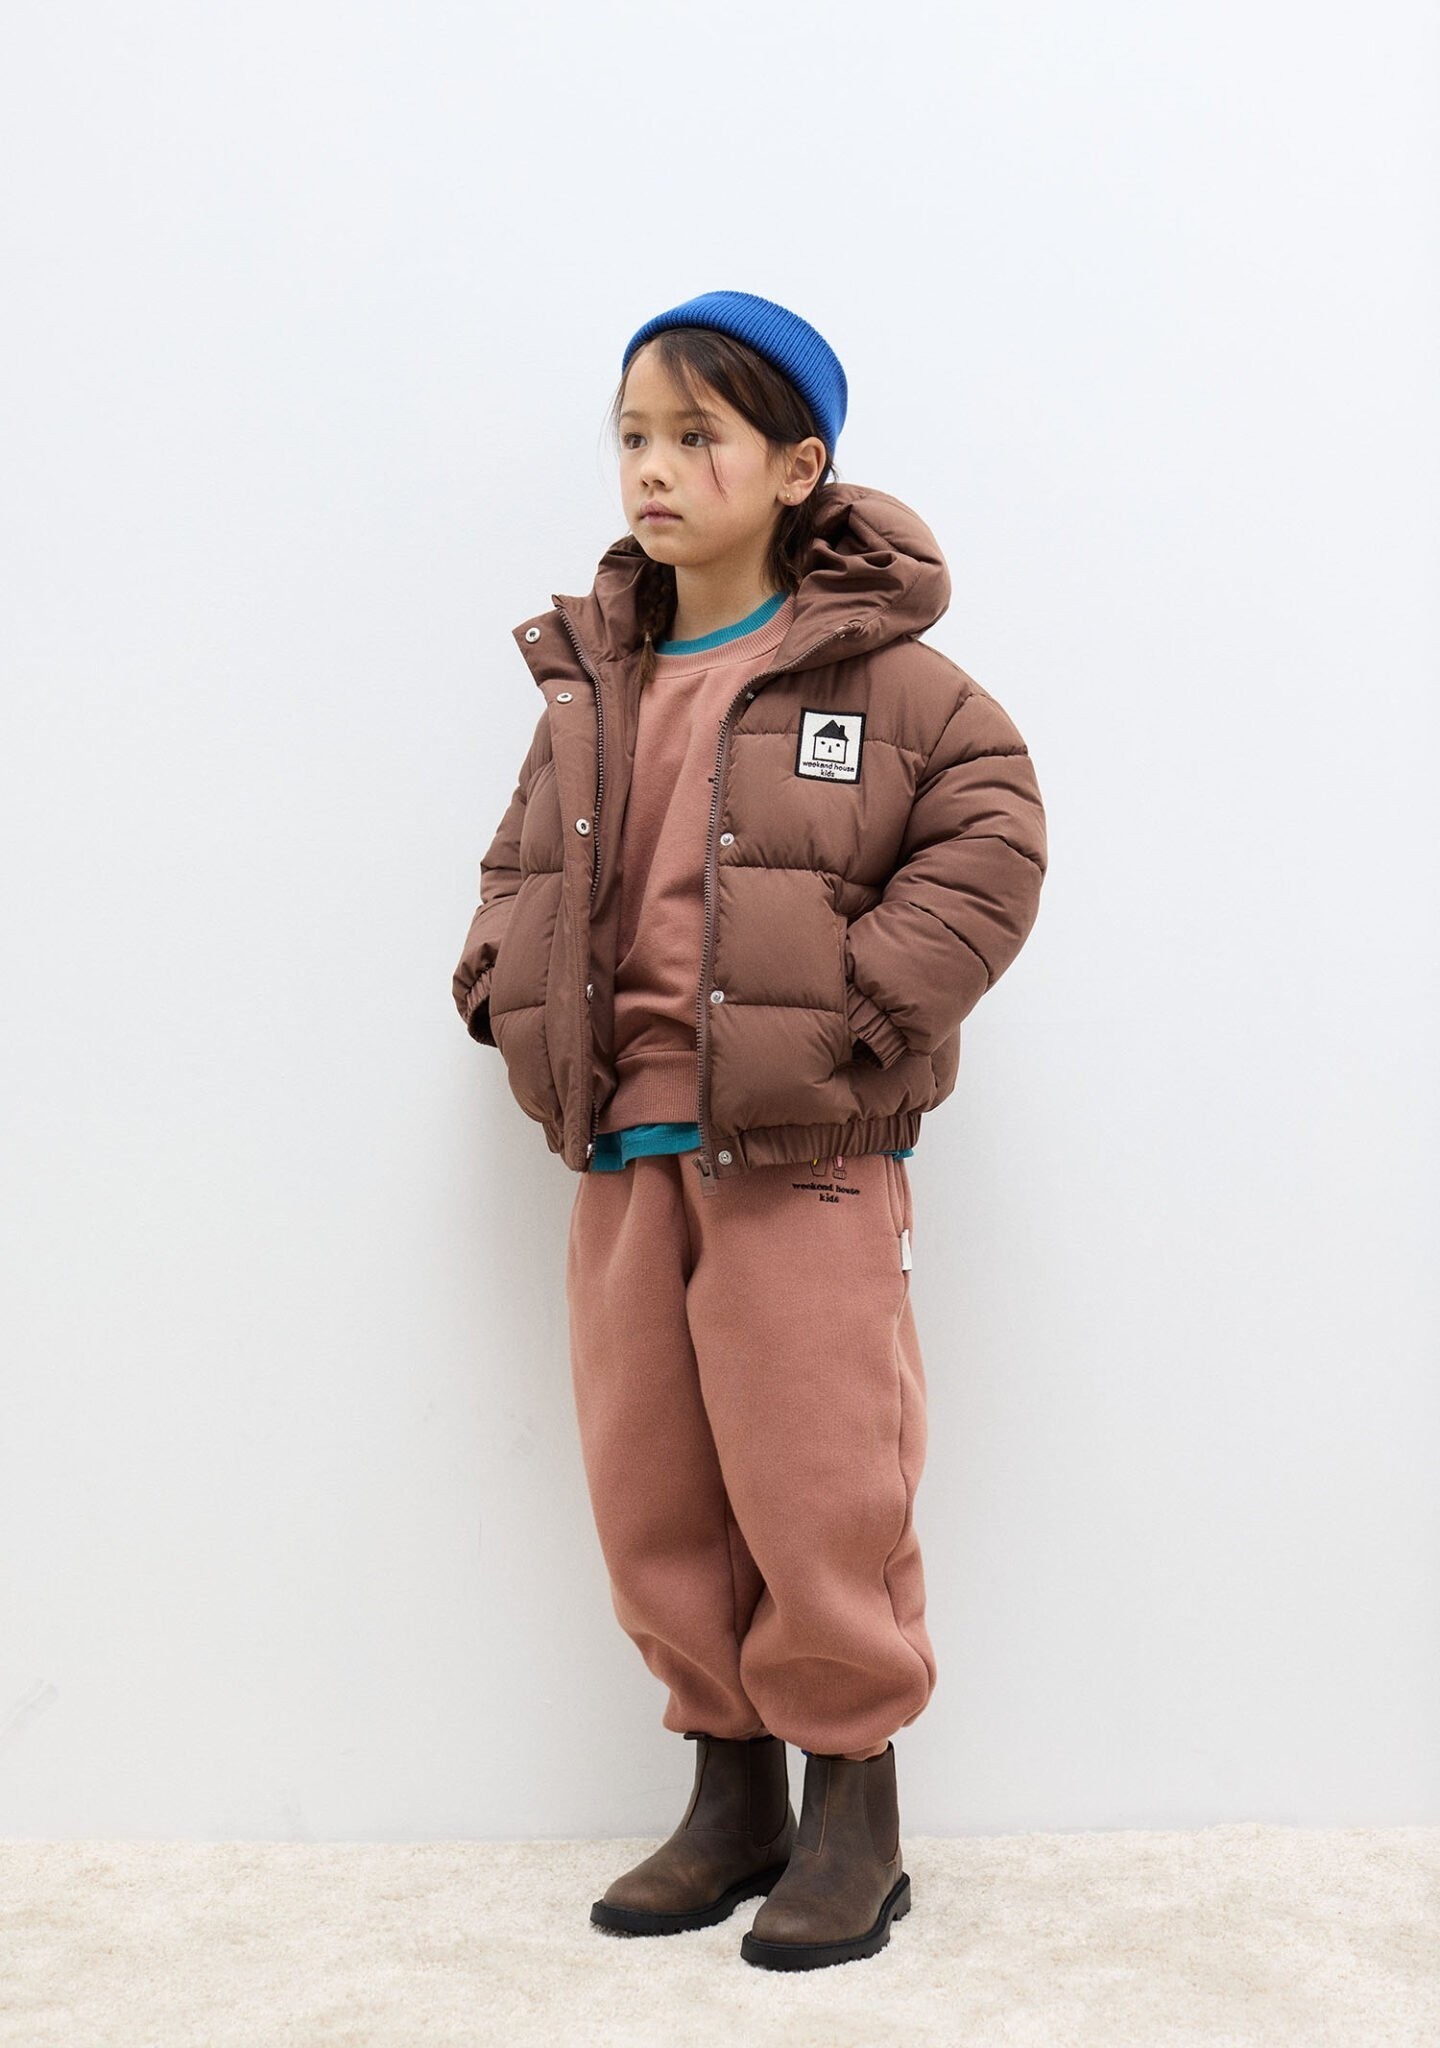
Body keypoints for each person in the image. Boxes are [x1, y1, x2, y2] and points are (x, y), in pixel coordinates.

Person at [452, 289, 1048, 1971]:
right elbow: (518, 866)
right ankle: (732, 1796)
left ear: (799, 467)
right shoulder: (596, 684)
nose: (652, 467)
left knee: (818, 1472)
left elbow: (994, 838)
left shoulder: (891, 683)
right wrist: (499, 986)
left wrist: (861, 1009)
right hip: (625, 1146)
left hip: (806, 1154)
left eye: (696, 436)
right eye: (634, 436)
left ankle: (854, 1806)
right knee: (653, 1480)